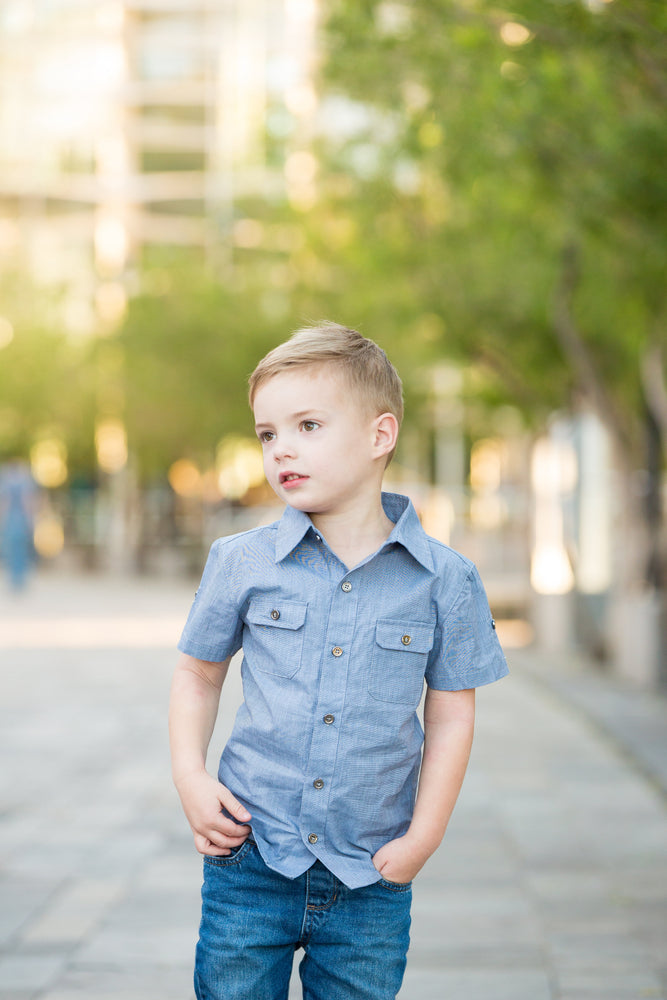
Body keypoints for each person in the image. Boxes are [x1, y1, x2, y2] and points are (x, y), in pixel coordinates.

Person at [169, 322, 508, 1000]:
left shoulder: (444, 579)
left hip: (371, 869)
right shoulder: (240, 561)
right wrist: (190, 775)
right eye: (268, 434)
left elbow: (449, 718)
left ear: (379, 435)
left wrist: (423, 838)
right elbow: (198, 673)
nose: (281, 448)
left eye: (308, 425)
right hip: (251, 855)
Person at [0, 457, 37, 591]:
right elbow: (27, 501)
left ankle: (14, 579)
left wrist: (3, 519)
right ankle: (20, 579)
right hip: (21, 519)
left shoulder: (6, 482)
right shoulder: (25, 482)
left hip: (10, 519)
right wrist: (30, 519)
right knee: (21, 550)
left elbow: (5, 502)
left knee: (11, 550)